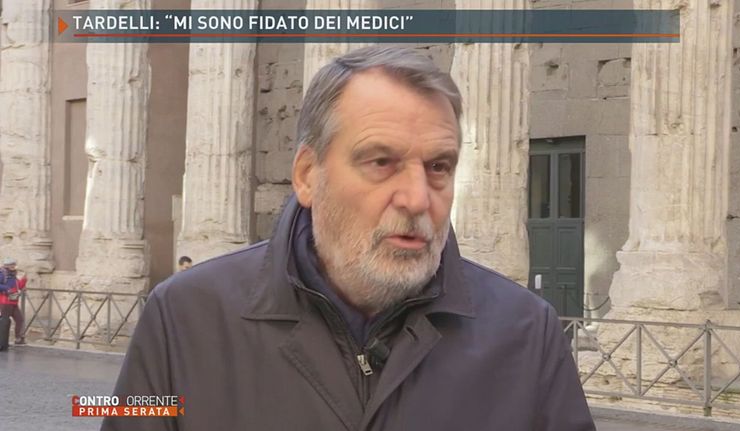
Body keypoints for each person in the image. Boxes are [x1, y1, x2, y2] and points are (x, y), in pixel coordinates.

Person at [104, 46, 595, 431]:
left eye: (438, 166)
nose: (417, 199)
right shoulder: (181, 319)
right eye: (381, 162)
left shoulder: (527, 333)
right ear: (307, 175)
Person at [0, 257, 27, 345]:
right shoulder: (2, 274)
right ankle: (3, 341)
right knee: (4, 321)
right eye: (11, 264)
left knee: (20, 320)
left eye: (14, 264)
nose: (14, 266)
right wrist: (7, 289)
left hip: (13, 302)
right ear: (7, 265)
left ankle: (18, 339)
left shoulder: (13, 274)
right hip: (5, 302)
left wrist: (24, 279)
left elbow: (18, 286)